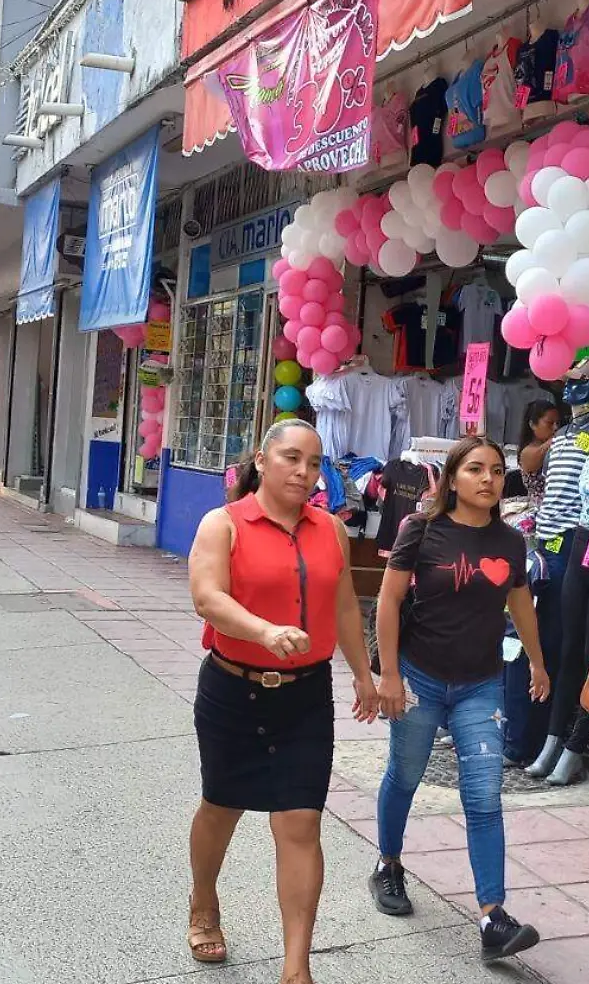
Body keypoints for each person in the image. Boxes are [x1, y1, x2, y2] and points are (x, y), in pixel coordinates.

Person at [185, 420, 381, 984]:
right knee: (222, 806)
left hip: (305, 698)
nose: (303, 471)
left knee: (300, 822)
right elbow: (207, 597)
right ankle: (203, 901)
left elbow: (345, 608)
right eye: (292, 458)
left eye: (314, 463)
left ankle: (297, 968)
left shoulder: (331, 531)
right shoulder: (223, 524)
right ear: (263, 460)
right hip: (232, 689)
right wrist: (265, 632)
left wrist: (364, 676)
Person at [370, 436, 550, 961]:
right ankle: (388, 864)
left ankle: (493, 916)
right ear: (452, 478)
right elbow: (388, 599)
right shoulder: (420, 530)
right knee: (404, 774)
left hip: (481, 684)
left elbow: (520, 603)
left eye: (497, 470)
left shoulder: (511, 542)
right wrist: (387, 676)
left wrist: (538, 662)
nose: (489, 479)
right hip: (419, 677)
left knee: (484, 795)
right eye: (476, 469)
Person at [515, 400, 560, 507]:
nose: (555, 428)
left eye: (557, 423)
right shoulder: (527, 452)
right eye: (549, 423)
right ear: (532, 425)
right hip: (540, 508)